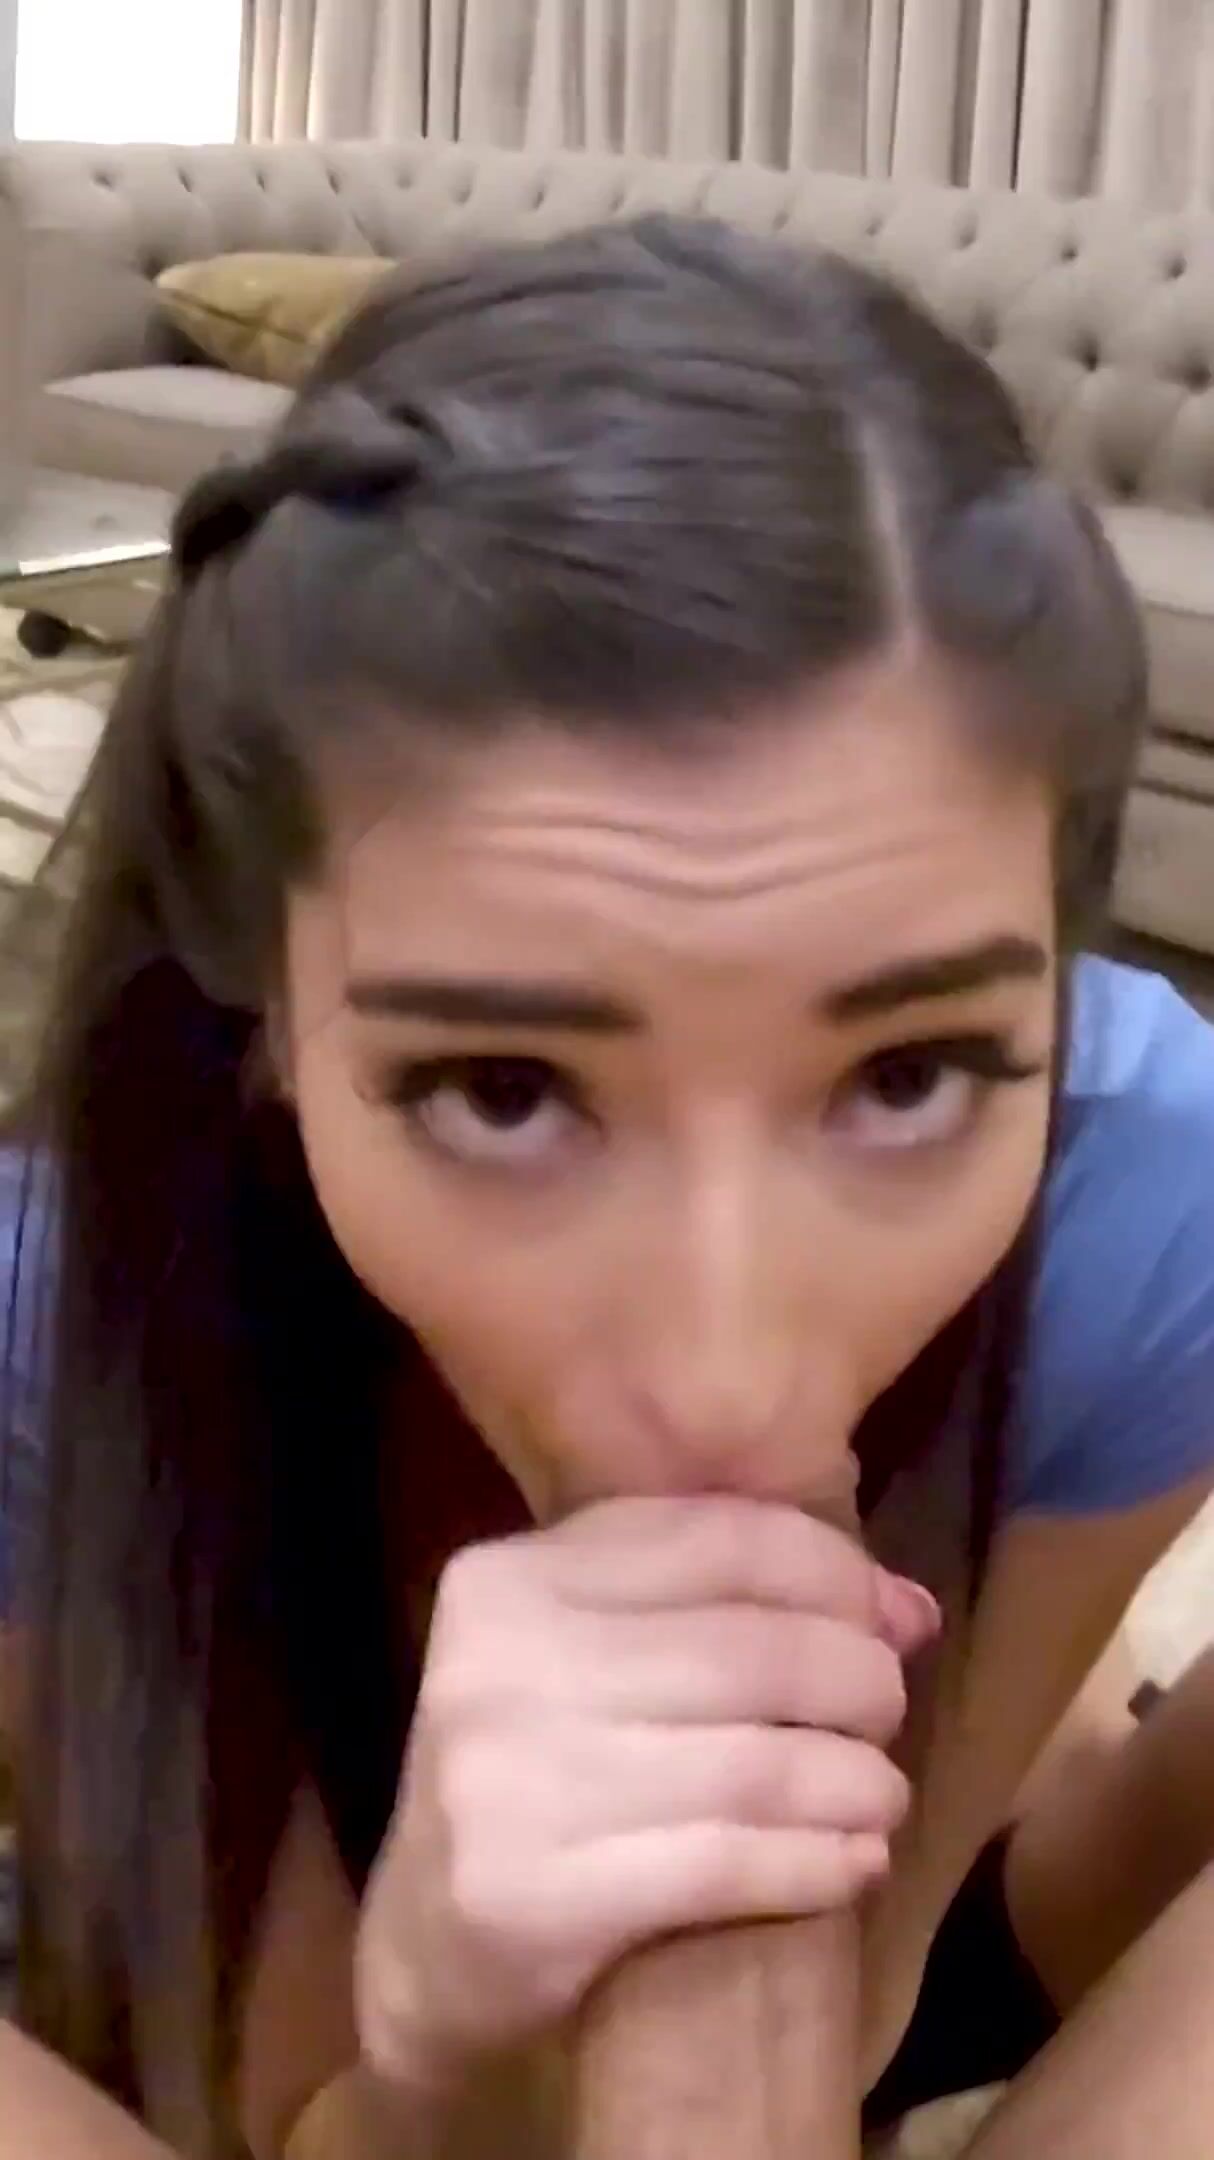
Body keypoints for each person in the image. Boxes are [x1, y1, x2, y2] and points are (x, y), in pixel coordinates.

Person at [0, 213, 1213, 2160]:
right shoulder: (70, 1304)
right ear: (267, 1007)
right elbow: (262, 2109)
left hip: (989, 1894)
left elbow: (842, 2021)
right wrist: (445, 2060)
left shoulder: (1128, 1179)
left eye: (907, 1074)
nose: (726, 1380)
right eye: (500, 1091)